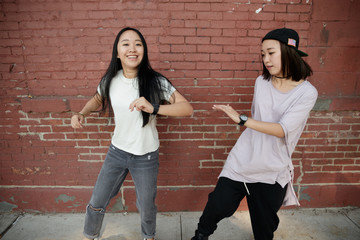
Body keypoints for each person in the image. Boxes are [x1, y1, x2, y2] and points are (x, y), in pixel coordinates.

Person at [191, 28, 318, 240]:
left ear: (289, 52)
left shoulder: (306, 93)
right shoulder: (262, 82)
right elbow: (259, 118)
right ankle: (200, 236)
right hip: (243, 159)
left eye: (271, 53)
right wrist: (246, 121)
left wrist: (242, 119)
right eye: (262, 54)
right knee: (217, 204)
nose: (265, 59)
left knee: (264, 225)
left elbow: (281, 130)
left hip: (272, 168)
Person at [71, 27, 193, 240]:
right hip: (116, 152)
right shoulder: (110, 79)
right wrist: (82, 112)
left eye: (138, 44)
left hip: (145, 156)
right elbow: (98, 99)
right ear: (117, 52)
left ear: (144, 50)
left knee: (146, 206)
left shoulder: (156, 81)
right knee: (97, 200)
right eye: (125, 44)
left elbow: (186, 108)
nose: (132, 48)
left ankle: (149, 236)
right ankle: (89, 235)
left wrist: (154, 107)